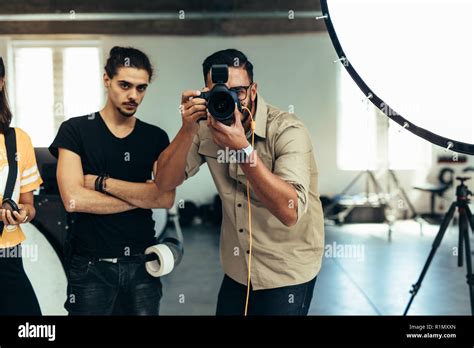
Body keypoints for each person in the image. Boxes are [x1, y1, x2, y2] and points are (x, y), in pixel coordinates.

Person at [155, 49, 325, 315]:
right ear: (206, 94)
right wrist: (186, 128)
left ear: (253, 90)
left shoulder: (288, 131)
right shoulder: (204, 128)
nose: (231, 101)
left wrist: (243, 151)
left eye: (240, 92)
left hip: (286, 269)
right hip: (238, 267)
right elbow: (164, 182)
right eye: (221, 92)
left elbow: (290, 211)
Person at [49, 47, 175, 315]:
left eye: (141, 88)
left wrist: (100, 183)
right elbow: (73, 200)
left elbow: (165, 198)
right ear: (106, 80)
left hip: (144, 265)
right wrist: (143, 196)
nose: (133, 95)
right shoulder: (75, 131)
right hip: (90, 266)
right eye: (125, 85)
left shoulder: (155, 137)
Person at [0, 57, 44, 315]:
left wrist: (23, 213)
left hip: (8, 257)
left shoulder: (18, 140)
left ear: (2, 81)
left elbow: (29, 205)